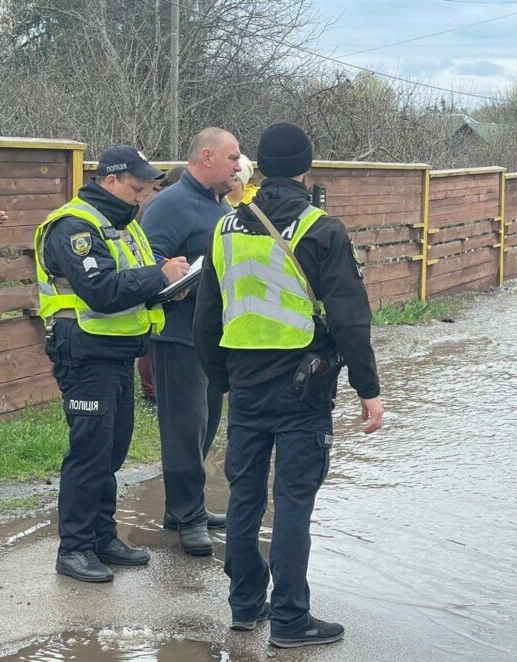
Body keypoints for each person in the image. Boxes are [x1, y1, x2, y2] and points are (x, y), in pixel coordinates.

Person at [194, 122, 384, 649]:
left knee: (245, 497)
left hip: (245, 386)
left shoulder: (224, 228)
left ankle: (244, 605)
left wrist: (222, 379)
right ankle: (292, 620)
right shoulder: (322, 228)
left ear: (258, 166)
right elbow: (350, 320)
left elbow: (207, 319)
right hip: (304, 389)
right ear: (306, 167)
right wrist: (369, 389)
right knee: (293, 501)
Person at [33, 145, 190, 583]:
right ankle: (75, 547)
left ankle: (101, 535)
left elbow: (133, 281)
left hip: (116, 351)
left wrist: (170, 280)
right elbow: (99, 289)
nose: (142, 198)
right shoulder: (74, 226)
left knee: (112, 450)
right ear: (111, 180)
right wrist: (159, 276)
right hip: (84, 354)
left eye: (146, 190)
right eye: (137, 188)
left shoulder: (121, 226)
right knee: (89, 452)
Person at [140, 128, 241, 556]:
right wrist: (171, 269)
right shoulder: (170, 204)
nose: (239, 166)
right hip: (177, 335)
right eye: (233, 158)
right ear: (206, 157)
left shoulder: (218, 205)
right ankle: (187, 516)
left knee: (206, 424)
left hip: (212, 338)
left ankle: (185, 507)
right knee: (183, 429)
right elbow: (147, 261)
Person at [135, 165, 186, 406]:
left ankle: (149, 392)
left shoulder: (151, 201)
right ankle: (151, 393)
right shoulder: (163, 204)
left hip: (146, 276)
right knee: (151, 341)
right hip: (155, 275)